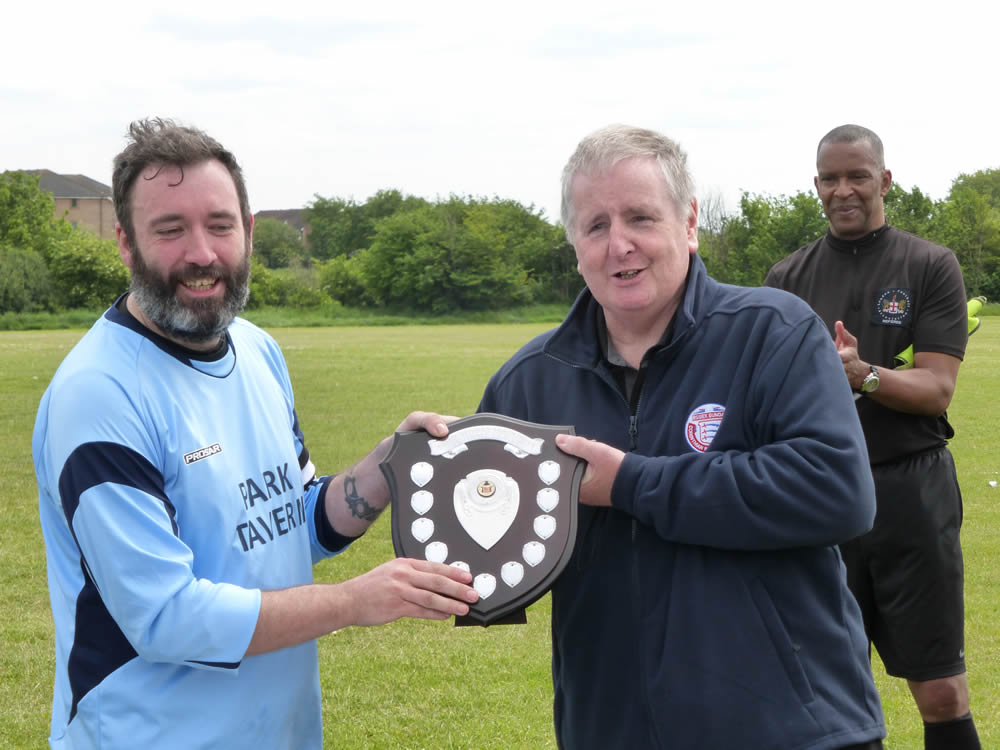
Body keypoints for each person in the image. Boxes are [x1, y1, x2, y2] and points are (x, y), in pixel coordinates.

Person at [32, 118, 479, 750]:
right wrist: (353, 602)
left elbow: (291, 526)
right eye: (171, 229)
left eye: (220, 225)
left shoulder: (257, 350)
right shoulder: (100, 394)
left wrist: (388, 464)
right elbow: (165, 617)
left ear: (247, 230)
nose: (202, 253)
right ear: (126, 244)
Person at [478, 124, 886, 749]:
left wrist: (631, 482)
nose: (619, 244)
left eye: (640, 218)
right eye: (595, 225)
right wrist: (444, 507)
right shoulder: (528, 382)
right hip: (612, 731)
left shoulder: (774, 332)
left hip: (792, 730)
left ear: (689, 222)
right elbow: (493, 554)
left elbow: (838, 492)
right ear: (574, 245)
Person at [765, 124, 981, 749]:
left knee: (941, 690)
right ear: (815, 186)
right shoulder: (786, 278)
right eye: (830, 179)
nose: (843, 190)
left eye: (857, 176)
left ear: (884, 180)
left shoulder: (929, 265)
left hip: (911, 493)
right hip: (822, 497)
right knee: (830, 692)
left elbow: (936, 388)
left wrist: (863, 375)